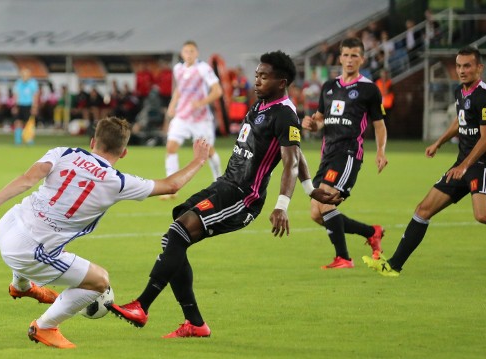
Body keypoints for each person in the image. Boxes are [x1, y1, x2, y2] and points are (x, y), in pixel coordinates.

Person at [108, 50, 342, 337]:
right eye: (256, 74)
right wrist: (311, 189)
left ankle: (142, 305)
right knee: (176, 232)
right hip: (226, 184)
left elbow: (292, 160)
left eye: (264, 76)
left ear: (282, 82)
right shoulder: (261, 105)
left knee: (178, 232)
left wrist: (283, 204)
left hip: (244, 196)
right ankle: (194, 324)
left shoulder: (284, 114)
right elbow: (297, 155)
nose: (256, 80)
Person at [0, 116, 212, 349]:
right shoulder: (118, 182)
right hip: (27, 249)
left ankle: (21, 286)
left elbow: (28, 179)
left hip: (7, 223)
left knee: (51, 242)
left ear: (92, 142)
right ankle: (45, 327)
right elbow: (171, 185)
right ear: (123, 153)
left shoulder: (64, 152)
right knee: (99, 282)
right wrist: (199, 159)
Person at [363, 46, 486, 277]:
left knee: (483, 216)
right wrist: (439, 142)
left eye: (467, 66)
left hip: (480, 165)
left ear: (480, 68)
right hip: (461, 165)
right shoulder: (461, 92)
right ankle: (392, 266)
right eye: (458, 66)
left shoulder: (484, 97)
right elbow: (460, 122)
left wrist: (464, 166)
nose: (461, 70)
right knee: (423, 210)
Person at [302, 37, 389, 269]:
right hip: (327, 153)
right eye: (346, 55)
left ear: (362, 58)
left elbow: (379, 125)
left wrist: (381, 151)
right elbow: (321, 120)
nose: (349, 60)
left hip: (348, 153)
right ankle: (372, 232)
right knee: (315, 213)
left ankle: (344, 258)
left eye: (354, 55)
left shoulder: (369, 89)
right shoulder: (328, 87)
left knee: (327, 200)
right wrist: (313, 125)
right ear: (339, 58)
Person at [163, 40, 224, 199]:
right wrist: (172, 105)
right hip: (182, 117)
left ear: (196, 53)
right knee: (171, 147)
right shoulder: (178, 69)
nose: (188, 54)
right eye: (186, 52)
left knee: (208, 152)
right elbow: (179, 89)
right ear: (182, 53)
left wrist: (201, 103)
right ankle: (172, 187)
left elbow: (217, 91)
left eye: (191, 51)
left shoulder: (203, 69)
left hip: (200, 120)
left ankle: (220, 182)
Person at [12, 67, 39, 145]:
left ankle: (29, 139)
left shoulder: (33, 83)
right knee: (18, 122)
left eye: (26, 74)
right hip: (20, 105)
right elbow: (15, 95)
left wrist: (35, 106)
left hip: (29, 105)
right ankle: (18, 140)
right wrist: (15, 106)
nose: (24, 76)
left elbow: (35, 95)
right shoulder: (18, 83)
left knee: (29, 123)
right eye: (23, 74)